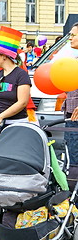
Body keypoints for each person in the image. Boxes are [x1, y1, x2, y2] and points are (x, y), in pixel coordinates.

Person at [62, 22, 78, 165]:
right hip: (70, 114)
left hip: (76, 116)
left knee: (74, 158)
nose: (70, 38)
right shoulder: (74, 62)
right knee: (70, 153)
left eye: (73, 35)